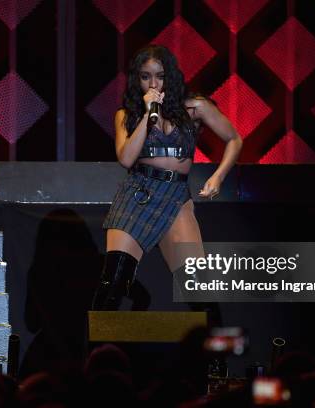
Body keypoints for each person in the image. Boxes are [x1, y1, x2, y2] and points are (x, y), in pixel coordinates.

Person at [92, 44, 242, 310]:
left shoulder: (195, 107)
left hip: (175, 198)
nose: (153, 83)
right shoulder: (126, 114)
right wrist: (148, 116)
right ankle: (97, 351)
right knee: (113, 283)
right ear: (136, 78)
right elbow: (126, 158)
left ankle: (215, 352)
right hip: (137, 194)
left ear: (170, 76)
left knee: (198, 288)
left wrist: (218, 176)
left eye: (159, 76)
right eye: (145, 76)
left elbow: (233, 138)